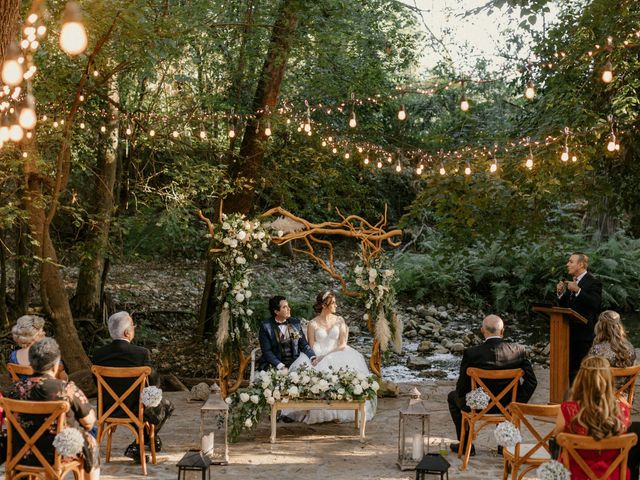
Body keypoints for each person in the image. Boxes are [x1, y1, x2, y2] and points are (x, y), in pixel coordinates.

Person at [4, 337, 100, 480]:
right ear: (55, 366)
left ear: (31, 364)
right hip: (56, 452)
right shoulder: (66, 389)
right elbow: (88, 422)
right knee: (90, 441)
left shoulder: (14, 390)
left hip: (21, 452)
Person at [447, 314, 537, 456]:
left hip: (478, 406)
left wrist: (475, 398)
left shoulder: (471, 353)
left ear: (482, 330)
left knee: (453, 397)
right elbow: (532, 381)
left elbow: (461, 388)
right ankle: (504, 445)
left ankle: (465, 445)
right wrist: (516, 403)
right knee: (503, 395)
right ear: (502, 331)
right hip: (507, 405)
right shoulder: (518, 351)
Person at [92, 311, 174, 462]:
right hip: (137, 409)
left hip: (107, 409)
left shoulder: (98, 354)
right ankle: (141, 443)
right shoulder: (141, 354)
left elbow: (94, 382)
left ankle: (144, 442)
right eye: (133, 326)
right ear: (127, 332)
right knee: (166, 405)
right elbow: (154, 383)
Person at [287, 291, 376, 423]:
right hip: (317, 353)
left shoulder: (340, 320)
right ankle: (317, 410)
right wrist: (317, 358)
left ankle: (340, 412)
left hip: (337, 352)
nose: (336, 305)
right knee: (313, 372)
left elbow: (342, 344)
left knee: (341, 372)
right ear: (324, 305)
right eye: (333, 303)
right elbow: (310, 347)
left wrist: (326, 356)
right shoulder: (313, 323)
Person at [553, 356, 633, 480]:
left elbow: (557, 436)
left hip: (574, 475)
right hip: (612, 476)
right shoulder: (622, 411)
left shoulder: (568, 410)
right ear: (609, 380)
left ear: (581, 379)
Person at [556, 252, 603, 381]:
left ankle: (581, 399)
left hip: (584, 336)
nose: (567, 264)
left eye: (571, 261)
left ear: (581, 264)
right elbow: (567, 308)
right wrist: (561, 294)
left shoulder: (593, 282)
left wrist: (578, 291)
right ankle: (571, 400)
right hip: (568, 334)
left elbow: (595, 304)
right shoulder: (573, 282)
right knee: (570, 372)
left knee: (581, 373)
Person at [257, 295, 316, 371]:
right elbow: (267, 351)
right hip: (274, 364)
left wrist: (312, 357)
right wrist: (281, 366)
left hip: (295, 362)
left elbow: (304, 344)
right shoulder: (266, 326)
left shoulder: (295, 323)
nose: (289, 309)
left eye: (288, 306)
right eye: (284, 307)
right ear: (276, 311)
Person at [9, 315, 68, 381]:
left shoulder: (13, 356)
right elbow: (63, 379)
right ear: (36, 335)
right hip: (48, 390)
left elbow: (14, 379)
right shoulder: (48, 353)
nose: (44, 333)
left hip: (25, 390)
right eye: (42, 331)